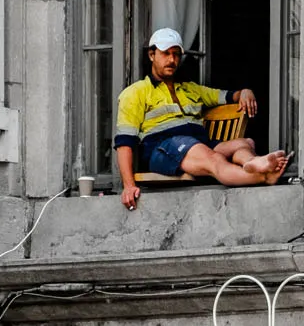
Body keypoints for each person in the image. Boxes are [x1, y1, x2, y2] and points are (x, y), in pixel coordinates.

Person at [114, 28, 288, 209]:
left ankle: (251, 162)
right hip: (164, 148)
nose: (172, 60)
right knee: (214, 161)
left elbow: (229, 96)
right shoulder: (135, 92)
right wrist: (128, 185)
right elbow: (125, 142)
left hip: (198, 144)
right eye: (166, 53)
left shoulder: (191, 89)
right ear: (152, 55)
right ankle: (263, 176)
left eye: (176, 55)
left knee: (245, 143)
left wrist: (245, 92)